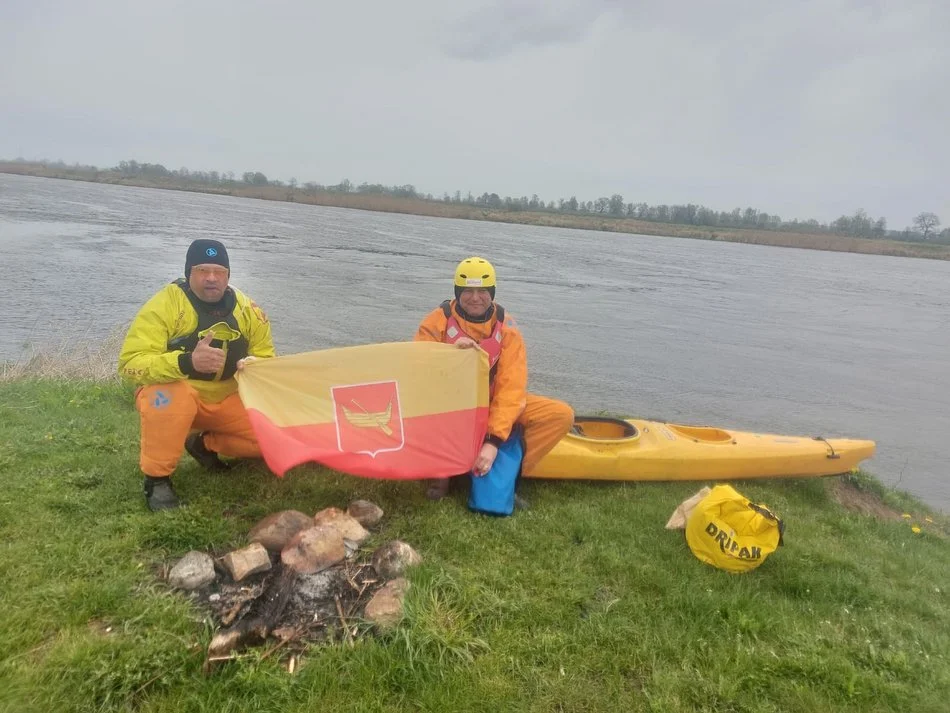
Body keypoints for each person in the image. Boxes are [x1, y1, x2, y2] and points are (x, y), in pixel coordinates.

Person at [118, 239, 276, 511]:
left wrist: (256, 365)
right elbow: (131, 363)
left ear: (228, 275)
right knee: (166, 396)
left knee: (272, 437)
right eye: (202, 271)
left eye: (219, 272)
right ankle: (157, 479)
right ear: (189, 272)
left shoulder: (250, 310)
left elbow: (267, 356)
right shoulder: (164, 305)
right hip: (179, 395)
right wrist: (187, 361)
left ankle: (204, 444)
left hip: (227, 397)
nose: (211, 279)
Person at [414, 256, 574, 500]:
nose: (475, 297)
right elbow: (418, 370)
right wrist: (450, 355)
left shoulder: (507, 329)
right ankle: (446, 470)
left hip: (491, 403)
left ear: (492, 293)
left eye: (483, 291)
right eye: (468, 291)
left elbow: (511, 389)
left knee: (560, 415)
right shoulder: (436, 322)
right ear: (457, 292)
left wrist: (493, 441)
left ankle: (508, 471)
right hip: (449, 405)